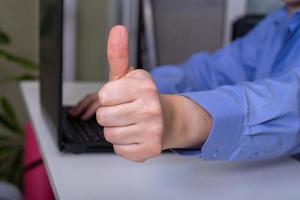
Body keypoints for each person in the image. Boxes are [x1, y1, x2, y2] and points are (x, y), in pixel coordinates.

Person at [69, 0, 300, 162]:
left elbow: (293, 101)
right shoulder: (278, 21)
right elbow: (211, 71)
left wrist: (181, 119)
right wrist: (136, 92)